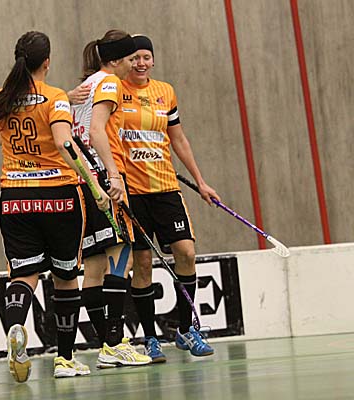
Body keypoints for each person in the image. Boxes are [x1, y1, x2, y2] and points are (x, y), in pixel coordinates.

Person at [0, 31, 109, 381]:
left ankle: (15, 327)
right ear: (47, 62)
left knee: (24, 274)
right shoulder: (55, 98)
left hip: (14, 198)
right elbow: (65, 144)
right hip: (59, 197)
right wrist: (94, 184)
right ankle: (64, 359)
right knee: (65, 277)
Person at [121, 35, 218, 358]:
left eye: (146, 57)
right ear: (126, 61)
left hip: (166, 189)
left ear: (153, 59)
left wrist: (201, 182)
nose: (141, 63)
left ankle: (186, 330)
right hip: (133, 193)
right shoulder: (116, 91)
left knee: (186, 253)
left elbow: (178, 139)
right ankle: (150, 338)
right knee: (142, 264)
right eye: (135, 58)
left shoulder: (166, 91)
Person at [72, 30, 151, 368]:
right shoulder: (109, 83)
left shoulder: (86, 85)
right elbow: (95, 130)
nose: (134, 64)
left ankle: (106, 343)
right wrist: (114, 175)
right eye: (131, 59)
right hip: (104, 179)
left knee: (93, 267)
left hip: (82, 182)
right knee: (121, 258)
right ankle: (114, 342)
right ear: (116, 60)